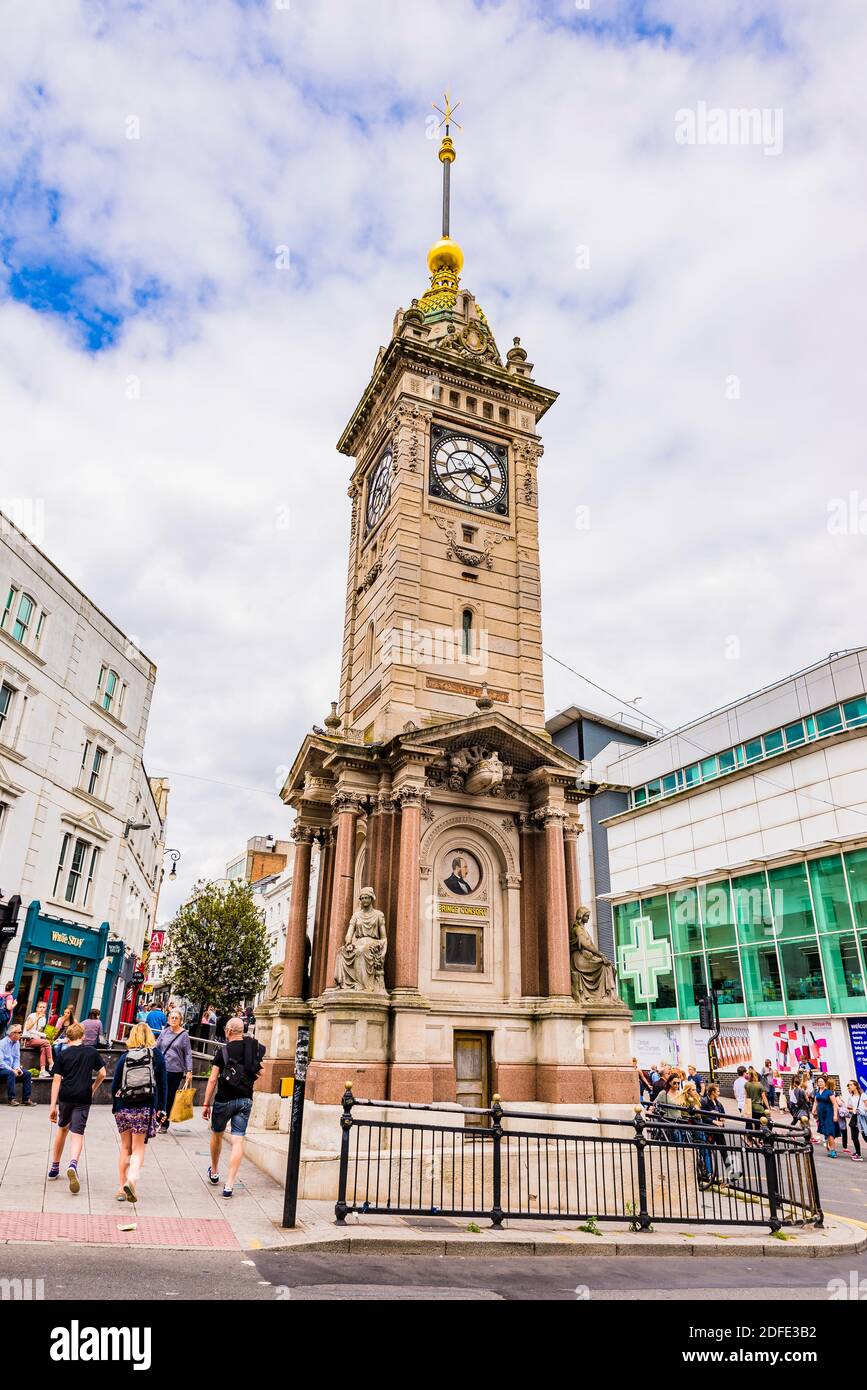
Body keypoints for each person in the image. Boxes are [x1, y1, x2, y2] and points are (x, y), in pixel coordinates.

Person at [202, 1017, 264, 1198]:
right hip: (244, 1100)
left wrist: (206, 1103)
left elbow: (213, 1079)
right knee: (238, 1140)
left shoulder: (223, 1051)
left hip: (223, 1100)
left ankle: (214, 1171)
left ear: (228, 1031)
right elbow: (261, 1072)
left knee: (217, 1134)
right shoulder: (251, 1050)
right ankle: (229, 1184)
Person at [110, 1022, 167, 1202]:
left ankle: (120, 1187)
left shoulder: (125, 1056)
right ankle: (132, 1179)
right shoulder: (156, 1055)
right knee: (138, 1147)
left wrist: (116, 1103)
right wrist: (162, 1108)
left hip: (123, 1105)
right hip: (145, 1105)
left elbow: (114, 1084)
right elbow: (163, 1084)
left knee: (125, 1147)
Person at [47, 1022, 106, 1192]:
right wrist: (93, 1088)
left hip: (66, 1096)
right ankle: (73, 1164)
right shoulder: (91, 1052)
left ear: (68, 1038)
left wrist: (52, 1105)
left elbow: (56, 1080)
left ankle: (54, 1167)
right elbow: (102, 1073)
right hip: (83, 1096)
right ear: (83, 1036)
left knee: (62, 1129)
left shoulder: (63, 1055)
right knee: (77, 1133)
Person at [155, 1008, 193, 1132]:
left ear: (180, 1021)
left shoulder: (184, 1035)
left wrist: (189, 1070)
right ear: (168, 1019)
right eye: (172, 1017)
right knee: (159, 1095)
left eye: (177, 1018)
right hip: (161, 1069)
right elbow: (156, 1047)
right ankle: (157, 1120)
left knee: (169, 1097)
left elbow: (188, 1053)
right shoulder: (164, 1032)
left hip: (175, 1071)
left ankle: (164, 1124)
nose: (174, 1019)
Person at [0, 1024, 35, 1105]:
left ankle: (26, 1099)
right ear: (12, 1034)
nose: (21, 1034)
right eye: (19, 1032)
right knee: (10, 1073)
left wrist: (17, 1068)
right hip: (2, 1069)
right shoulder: (1, 1044)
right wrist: (12, 1070)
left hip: (11, 1070)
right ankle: (11, 1099)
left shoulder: (17, 1043)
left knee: (27, 1074)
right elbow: (1, 1062)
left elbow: (16, 1058)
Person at [699, 1083, 726, 1180]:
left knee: (724, 1151)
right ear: (712, 1092)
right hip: (710, 1130)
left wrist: (722, 1119)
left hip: (718, 1130)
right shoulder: (704, 1102)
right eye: (717, 1091)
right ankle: (711, 1174)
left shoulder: (718, 1103)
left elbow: (723, 1112)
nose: (719, 1093)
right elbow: (703, 1116)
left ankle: (732, 1174)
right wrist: (714, 1121)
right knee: (709, 1152)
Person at [22, 1000, 53, 1077]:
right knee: (46, 1042)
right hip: (28, 1040)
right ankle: (51, 1062)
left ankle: (42, 1071)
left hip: (36, 1040)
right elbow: (28, 1028)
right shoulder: (32, 1016)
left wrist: (42, 1035)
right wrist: (37, 1018)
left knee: (44, 1047)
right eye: (40, 1007)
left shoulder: (44, 1018)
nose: (42, 1009)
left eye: (43, 1007)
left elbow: (38, 1031)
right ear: (36, 1008)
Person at [813, 1079, 839, 1157]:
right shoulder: (817, 1092)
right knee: (825, 1131)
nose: (820, 1083)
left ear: (825, 1083)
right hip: (821, 1115)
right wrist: (813, 1109)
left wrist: (835, 1115)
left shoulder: (829, 1092)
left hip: (829, 1114)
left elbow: (834, 1104)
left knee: (829, 1131)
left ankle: (833, 1151)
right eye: (818, 1082)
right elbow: (816, 1102)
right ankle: (829, 1146)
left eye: (822, 1082)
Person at [841, 1081, 863, 1162]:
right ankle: (858, 1153)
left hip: (862, 1118)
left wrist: (858, 1110)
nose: (849, 1087)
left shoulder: (862, 1096)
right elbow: (849, 1108)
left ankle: (858, 1154)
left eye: (851, 1085)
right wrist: (850, 1109)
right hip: (854, 1118)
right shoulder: (851, 1097)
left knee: (865, 1136)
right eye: (848, 1085)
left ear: (856, 1086)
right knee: (854, 1137)